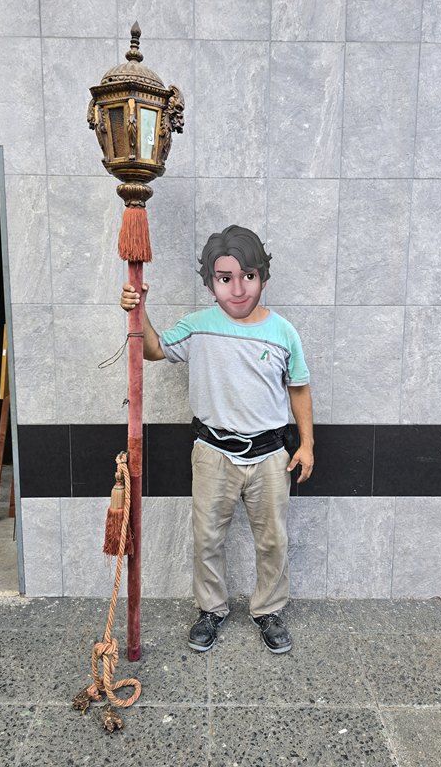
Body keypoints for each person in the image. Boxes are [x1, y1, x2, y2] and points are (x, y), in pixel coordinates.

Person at [120, 224, 314, 654]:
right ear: (210, 282)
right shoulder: (198, 326)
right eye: (225, 278)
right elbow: (153, 349)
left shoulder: (283, 332)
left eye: (248, 276)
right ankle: (211, 609)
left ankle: (268, 611)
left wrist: (307, 445)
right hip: (212, 452)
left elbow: (299, 388)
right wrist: (140, 309)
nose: (238, 289)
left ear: (262, 276)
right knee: (207, 538)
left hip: (270, 455)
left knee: (273, 540)